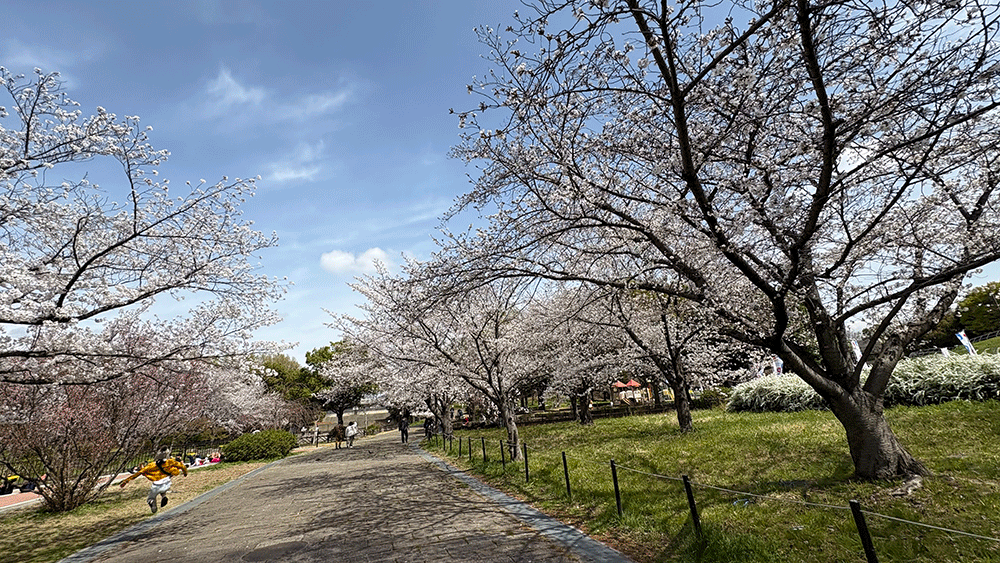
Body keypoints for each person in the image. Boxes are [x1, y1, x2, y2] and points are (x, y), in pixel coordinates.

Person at [119, 446, 188, 513]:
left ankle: (152, 503)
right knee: (163, 491)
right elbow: (182, 466)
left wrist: (126, 481)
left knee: (151, 498)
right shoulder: (170, 462)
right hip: (167, 483)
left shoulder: (152, 465)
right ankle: (164, 497)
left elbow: (139, 473)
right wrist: (185, 473)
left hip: (156, 484)